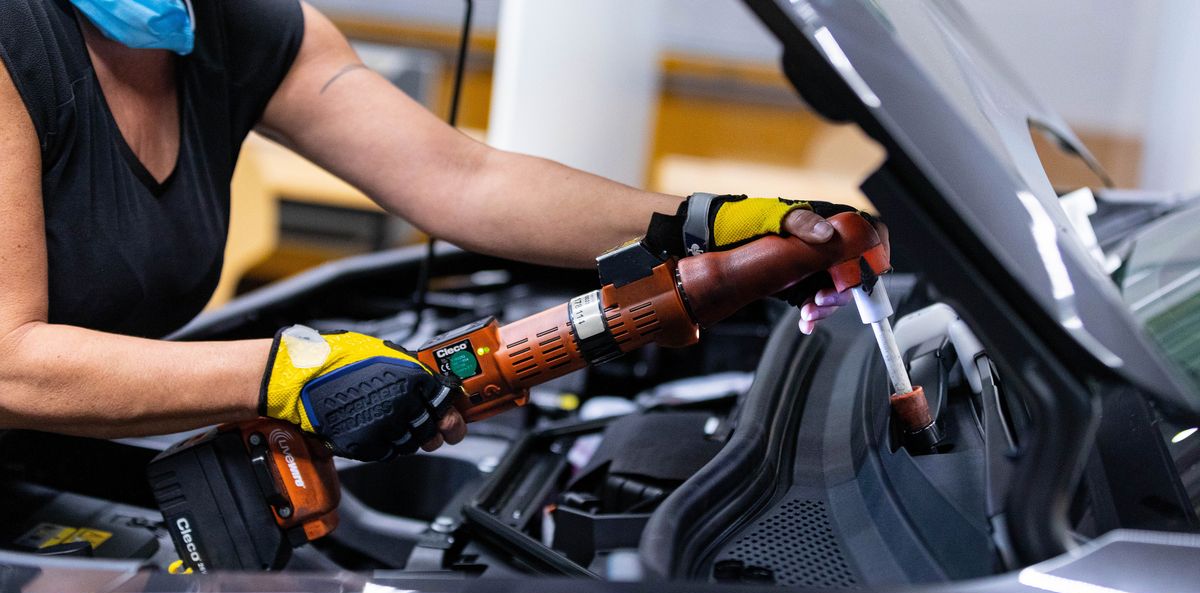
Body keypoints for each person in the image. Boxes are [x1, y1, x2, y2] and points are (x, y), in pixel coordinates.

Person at [0, 0, 885, 461]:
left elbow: (465, 178)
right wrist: (289, 370)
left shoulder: (232, 29)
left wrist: (700, 225)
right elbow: (10, 361)